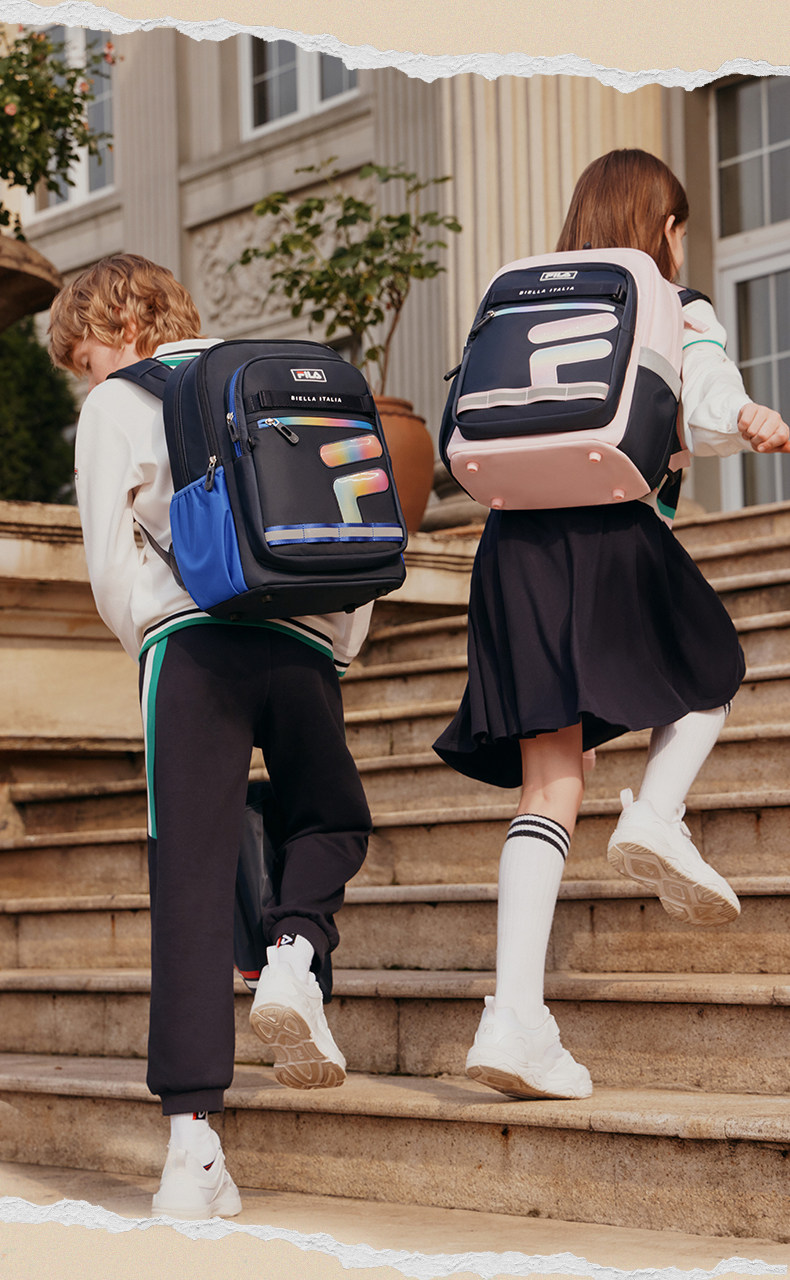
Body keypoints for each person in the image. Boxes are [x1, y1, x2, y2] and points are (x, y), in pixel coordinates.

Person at [433, 149, 790, 1103]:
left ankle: (513, 1017)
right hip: (610, 525)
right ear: (663, 227)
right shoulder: (670, 302)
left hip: (512, 546)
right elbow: (704, 402)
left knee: (550, 782)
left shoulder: (525, 302)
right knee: (711, 671)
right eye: (682, 229)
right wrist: (748, 416)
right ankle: (660, 814)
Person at [48, 254, 373, 1219]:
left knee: (189, 885)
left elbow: (110, 563)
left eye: (83, 358)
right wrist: (337, 640)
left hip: (189, 648)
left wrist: (151, 635)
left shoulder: (118, 404)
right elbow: (349, 511)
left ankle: (192, 1149)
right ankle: (294, 954)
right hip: (303, 633)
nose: (86, 376)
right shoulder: (274, 378)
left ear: (115, 328)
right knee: (330, 818)